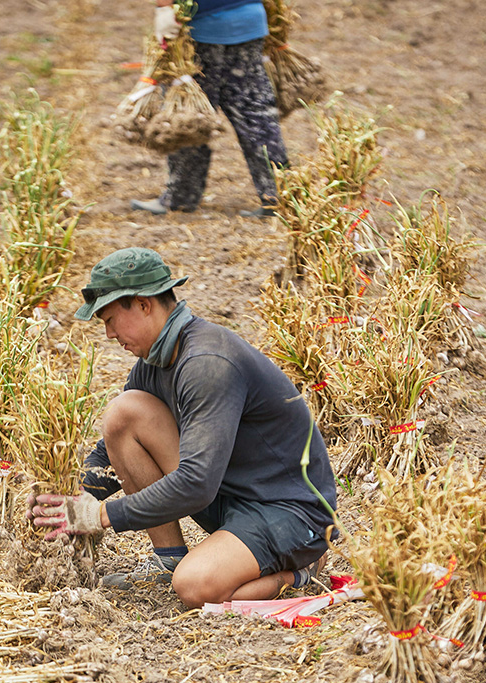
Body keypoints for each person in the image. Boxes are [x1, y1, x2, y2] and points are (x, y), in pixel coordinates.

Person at [28, 247, 338, 608]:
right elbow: (113, 448)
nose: (109, 334)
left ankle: (300, 572)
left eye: (111, 319)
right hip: (231, 494)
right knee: (123, 414)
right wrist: (74, 498)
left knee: (193, 587)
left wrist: (98, 516)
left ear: (144, 304)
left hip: (289, 511)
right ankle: (169, 558)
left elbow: (196, 483)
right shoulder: (156, 360)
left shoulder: (207, 363)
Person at [131, 0, 288, 219]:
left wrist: (165, 8)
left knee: (188, 113)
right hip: (250, 20)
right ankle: (280, 196)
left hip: (202, 28)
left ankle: (180, 198)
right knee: (254, 112)